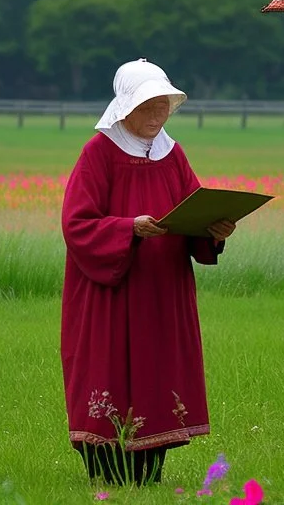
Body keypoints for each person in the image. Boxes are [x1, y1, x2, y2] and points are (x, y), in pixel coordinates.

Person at [59, 58, 235, 486]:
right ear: (125, 108)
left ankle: (149, 475)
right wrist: (129, 228)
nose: (158, 116)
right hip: (111, 293)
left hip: (162, 292)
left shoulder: (173, 155)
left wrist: (214, 231)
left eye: (163, 106)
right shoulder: (98, 154)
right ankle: (105, 475)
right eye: (148, 106)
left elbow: (191, 209)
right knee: (107, 370)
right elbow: (77, 224)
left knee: (158, 375)